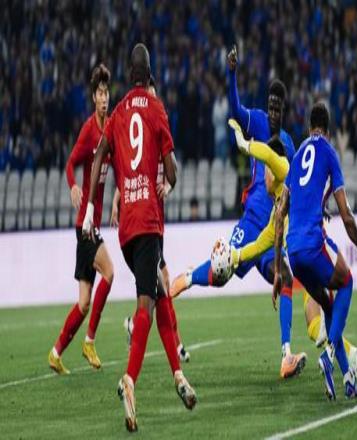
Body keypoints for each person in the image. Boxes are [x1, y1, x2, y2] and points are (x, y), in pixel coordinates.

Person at [170, 45, 306, 379]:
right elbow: (234, 108)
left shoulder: (289, 143)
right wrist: (231, 73)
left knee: (286, 277)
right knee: (221, 274)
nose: (272, 112)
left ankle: (286, 355)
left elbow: (296, 185)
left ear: (284, 110)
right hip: (251, 221)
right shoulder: (256, 121)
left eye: (277, 108)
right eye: (270, 106)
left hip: (270, 231)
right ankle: (183, 281)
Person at [83, 44, 195, 432]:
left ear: (128, 75)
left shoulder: (116, 113)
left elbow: (99, 155)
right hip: (148, 220)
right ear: (149, 75)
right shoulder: (155, 107)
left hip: (126, 230)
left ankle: (178, 375)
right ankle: (129, 380)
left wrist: (90, 208)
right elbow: (171, 170)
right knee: (147, 303)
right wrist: (169, 184)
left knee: (160, 296)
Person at [227, 118, 357, 376]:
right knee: (314, 325)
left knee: (324, 313)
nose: (264, 177)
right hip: (305, 256)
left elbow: (268, 154)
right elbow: (262, 242)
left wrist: (244, 144)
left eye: (265, 171)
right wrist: (234, 254)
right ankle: (347, 357)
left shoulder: (283, 169)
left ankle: (346, 356)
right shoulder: (278, 207)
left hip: (314, 251)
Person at [274, 103, 357, 400]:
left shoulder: (296, 158)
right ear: (327, 130)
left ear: (309, 128)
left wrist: (279, 269)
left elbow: (279, 215)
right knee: (347, 281)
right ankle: (329, 355)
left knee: (329, 308)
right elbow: (346, 215)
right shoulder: (329, 153)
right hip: (313, 244)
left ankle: (347, 379)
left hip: (294, 254)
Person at [112, 77, 190, 364]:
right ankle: (175, 345)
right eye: (150, 95)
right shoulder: (144, 137)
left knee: (156, 288)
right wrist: (117, 199)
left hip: (156, 221)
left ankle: (137, 325)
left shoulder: (157, 133)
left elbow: (172, 169)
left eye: (155, 96)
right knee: (161, 284)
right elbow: (129, 174)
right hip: (147, 221)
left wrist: (167, 187)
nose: (153, 100)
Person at [48, 63, 114, 374]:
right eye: (100, 93)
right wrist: (73, 185)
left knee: (84, 302)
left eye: (107, 93)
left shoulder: (110, 128)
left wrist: (118, 197)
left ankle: (55, 352)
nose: (104, 98)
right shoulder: (90, 130)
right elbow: (69, 163)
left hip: (92, 224)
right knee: (110, 272)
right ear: (93, 98)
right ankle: (89, 341)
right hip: (85, 227)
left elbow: (117, 165)